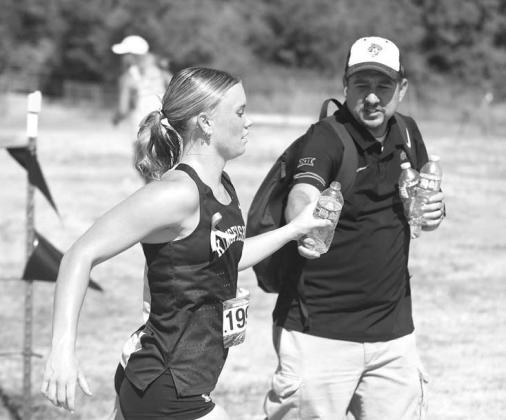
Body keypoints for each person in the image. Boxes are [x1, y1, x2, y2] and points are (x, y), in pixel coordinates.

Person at [40, 67, 330, 420]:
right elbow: (79, 255)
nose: (248, 122)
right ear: (206, 123)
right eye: (239, 112)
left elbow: (227, 257)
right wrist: (62, 350)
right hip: (164, 384)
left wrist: (293, 229)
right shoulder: (176, 193)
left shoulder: (222, 186)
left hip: (184, 382)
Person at [263, 36, 446, 420]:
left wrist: (433, 212)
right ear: (345, 86)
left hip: (394, 335)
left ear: (402, 88)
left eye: (383, 85)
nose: (373, 97)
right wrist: (306, 222)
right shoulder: (326, 137)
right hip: (319, 333)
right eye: (362, 84)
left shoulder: (409, 134)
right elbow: (303, 191)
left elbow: (419, 203)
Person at [111, 34, 172, 182]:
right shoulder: (163, 73)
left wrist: (116, 119)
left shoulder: (128, 78)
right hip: (166, 129)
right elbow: (176, 94)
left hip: (143, 131)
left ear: (132, 56)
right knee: (167, 175)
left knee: (147, 175)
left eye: (125, 54)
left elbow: (123, 109)